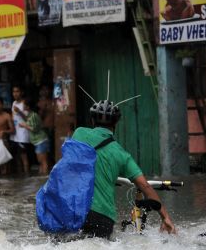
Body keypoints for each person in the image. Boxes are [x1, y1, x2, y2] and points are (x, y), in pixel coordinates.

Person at [73, 100, 176, 238]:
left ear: (92, 120)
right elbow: (144, 185)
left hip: (73, 210)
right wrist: (165, 217)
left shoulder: (78, 134)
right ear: (116, 124)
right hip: (102, 216)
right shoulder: (122, 155)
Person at [19, 99, 50, 175]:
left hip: (41, 140)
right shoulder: (30, 115)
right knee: (40, 161)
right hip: (37, 141)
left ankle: (45, 178)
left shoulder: (33, 115)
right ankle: (42, 178)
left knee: (43, 161)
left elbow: (34, 129)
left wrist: (24, 125)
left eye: (23, 104)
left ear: (28, 106)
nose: (22, 106)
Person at [11, 86, 31, 174]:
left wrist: (19, 111)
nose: (15, 93)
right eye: (14, 91)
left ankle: (26, 175)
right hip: (15, 133)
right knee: (17, 156)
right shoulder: (14, 103)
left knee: (24, 156)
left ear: (21, 92)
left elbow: (28, 118)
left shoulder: (24, 103)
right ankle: (20, 177)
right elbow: (13, 117)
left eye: (17, 91)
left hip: (23, 134)